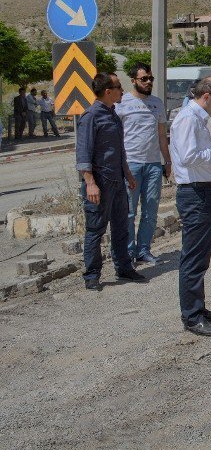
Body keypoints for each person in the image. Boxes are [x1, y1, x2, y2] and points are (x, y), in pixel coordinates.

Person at [170, 76, 211, 337]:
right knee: (194, 257)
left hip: (203, 191)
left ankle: (197, 307)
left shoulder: (197, 119)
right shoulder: (188, 118)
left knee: (202, 255)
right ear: (206, 97)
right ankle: (192, 316)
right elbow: (188, 157)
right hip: (194, 194)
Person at [76, 73, 145, 291]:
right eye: (118, 87)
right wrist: (90, 183)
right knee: (95, 229)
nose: (122, 91)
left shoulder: (113, 114)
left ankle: (123, 267)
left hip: (117, 180)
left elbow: (119, 150)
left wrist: (128, 174)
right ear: (108, 91)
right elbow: (83, 153)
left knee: (121, 226)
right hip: (100, 183)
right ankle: (92, 274)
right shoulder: (91, 116)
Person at [116, 64, 170, 264]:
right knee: (129, 211)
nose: (148, 82)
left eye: (150, 78)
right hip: (131, 164)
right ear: (133, 81)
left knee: (150, 210)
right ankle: (128, 252)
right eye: (144, 79)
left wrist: (168, 160)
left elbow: (162, 135)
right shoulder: (122, 103)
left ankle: (144, 250)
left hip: (154, 165)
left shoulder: (157, 103)